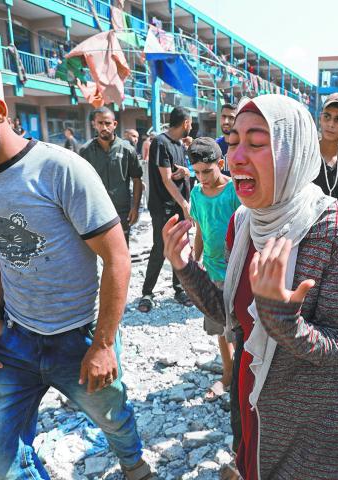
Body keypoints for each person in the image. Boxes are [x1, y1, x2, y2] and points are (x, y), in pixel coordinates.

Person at [0, 43, 153, 480]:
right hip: (16, 341)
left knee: (113, 418)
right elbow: (5, 253)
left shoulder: (61, 170)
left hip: (79, 335)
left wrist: (102, 345)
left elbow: (117, 259)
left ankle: (135, 464)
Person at [163, 94, 338, 479]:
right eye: (233, 141)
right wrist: (185, 267)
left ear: (293, 151)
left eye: (257, 143)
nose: (235, 157)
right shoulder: (245, 223)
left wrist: (281, 317)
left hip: (313, 424)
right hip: (257, 394)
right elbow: (232, 314)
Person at [186, 137, 240, 404]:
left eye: (207, 171)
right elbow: (200, 230)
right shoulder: (196, 193)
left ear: (221, 164)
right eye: (196, 172)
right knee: (219, 328)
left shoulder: (234, 192)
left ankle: (242, 377)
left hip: (236, 272)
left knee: (239, 328)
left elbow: (244, 232)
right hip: (212, 272)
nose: (202, 178)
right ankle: (228, 374)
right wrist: (194, 262)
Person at [139, 107, 193, 311]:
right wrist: (185, 204)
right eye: (191, 124)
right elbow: (166, 180)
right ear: (186, 123)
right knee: (161, 248)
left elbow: (174, 174)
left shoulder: (178, 144)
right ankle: (147, 292)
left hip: (178, 206)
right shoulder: (161, 143)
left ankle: (179, 289)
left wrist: (185, 173)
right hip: (165, 207)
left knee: (180, 247)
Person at [79, 107, 143, 245]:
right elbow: (80, 183)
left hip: (121, 210)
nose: (104, 127)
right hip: (96, 210)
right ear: (94, 124)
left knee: (122, 248)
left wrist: (135, 208)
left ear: (114, 124)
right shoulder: (85, 151)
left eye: (107, 123)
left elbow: (137, 179)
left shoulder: (127, 150)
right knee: (98, 249)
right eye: (100, 123)